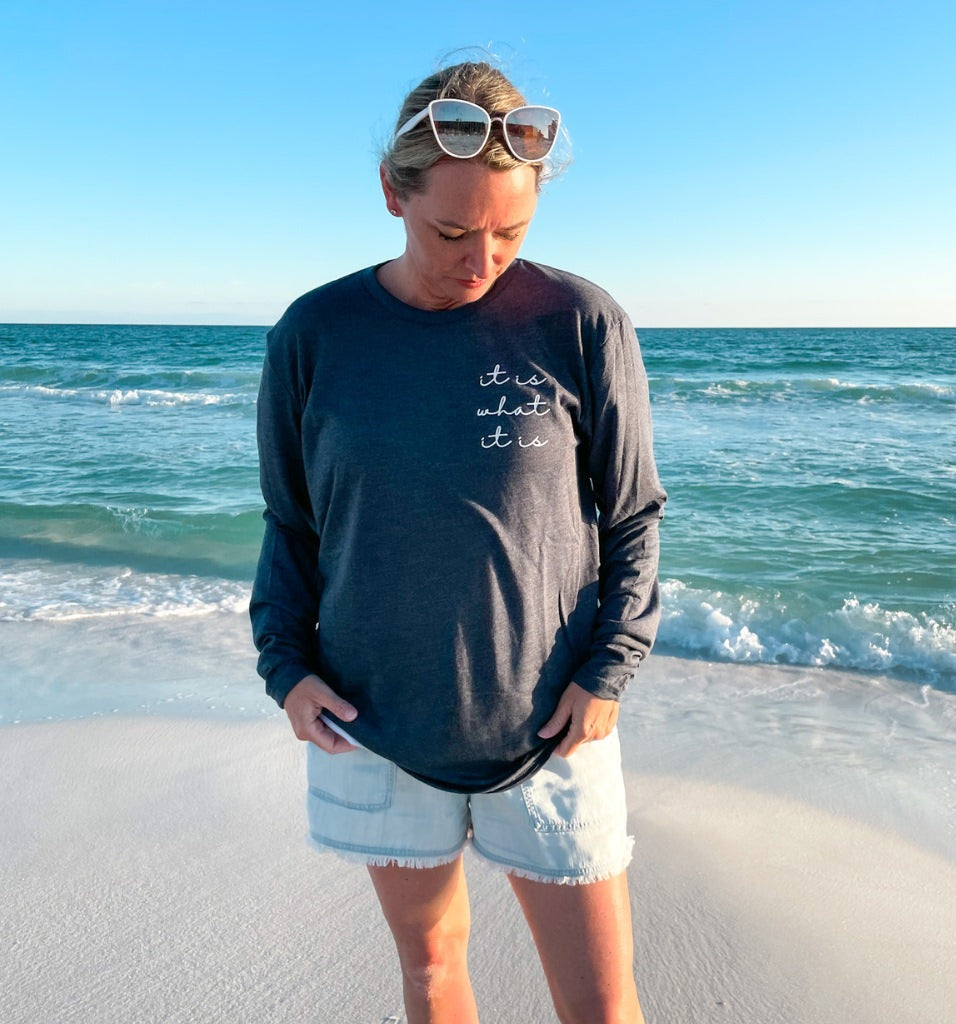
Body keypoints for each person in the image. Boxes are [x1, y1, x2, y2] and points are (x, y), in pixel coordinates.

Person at [250, 59, 665, 1024]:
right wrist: (285, 668)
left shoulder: (581, 322)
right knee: (432, 968)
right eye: (452, 232)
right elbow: (292, 521)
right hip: (372, 725)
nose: (482, 262)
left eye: (510, 232)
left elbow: (633, 515)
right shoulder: (314, 334)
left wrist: (609, 672)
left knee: (602, 1008)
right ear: (392, 193)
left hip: (554, 729)